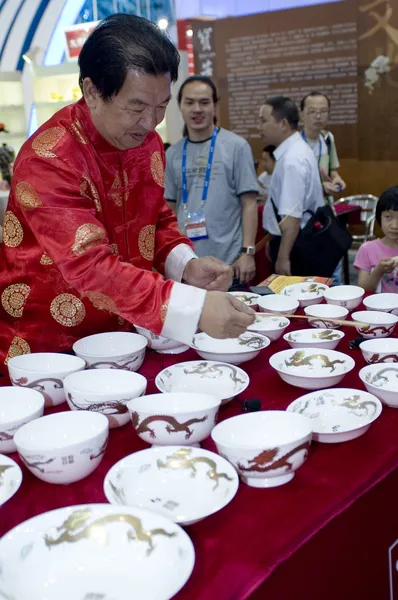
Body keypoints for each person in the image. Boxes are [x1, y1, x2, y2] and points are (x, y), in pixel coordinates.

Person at [0, 15, 255, 372]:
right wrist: (193, 309)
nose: (151, 123)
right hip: (50, 346)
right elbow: (89, 266)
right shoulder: (49, 159)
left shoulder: (146, 142)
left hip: (126, 330)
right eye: (136, 107)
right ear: (92, 91)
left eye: (161, 106)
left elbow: (156, 217)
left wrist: (186, 265)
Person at [165, 75, 259, 285]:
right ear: (180, 106)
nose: (196, 109)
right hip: (187, 266)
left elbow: (249, 203)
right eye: (189, 102)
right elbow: (169, 208)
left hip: (229, 264)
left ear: (215, 106)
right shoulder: (172, 154)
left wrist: (248, 252)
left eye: (204, 102)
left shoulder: (236, 146)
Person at [259, 96, 324, 276]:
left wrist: (283, 257)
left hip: (295, 246)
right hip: (296, 241)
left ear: (283, 124)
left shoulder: (291, 160)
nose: (260, 127)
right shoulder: (297, 150)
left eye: (264, 121)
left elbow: (291, 219)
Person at [300, 91, 346, 200]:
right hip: (304, 208)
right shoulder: (294, 145)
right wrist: (319, 188)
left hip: (326, 204)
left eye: (323, 111)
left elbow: (332, 171)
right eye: (312, 111)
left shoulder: (328, 139)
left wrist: (337, 179)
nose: (318, 116)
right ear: (302, 115)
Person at [354, 186, 398, 292]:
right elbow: (364, 289)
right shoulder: (368, 249)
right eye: (388, 217)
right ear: (379, 218)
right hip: (381, 307)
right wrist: (379, 270)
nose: (395, 226)